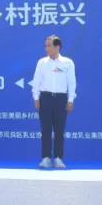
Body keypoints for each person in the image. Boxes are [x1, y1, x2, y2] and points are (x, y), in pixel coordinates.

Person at [30, 35, 76, 169]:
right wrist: (36, 98)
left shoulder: (68, 62)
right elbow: (36, 81)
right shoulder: (42, 62)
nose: (46, 48)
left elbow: (72, 82)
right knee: (45, 129)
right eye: (45, 45)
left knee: (59, 130)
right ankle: (45, 158)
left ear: (57, 47)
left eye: (49, 45)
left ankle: (58, 158)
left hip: (61, 98)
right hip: (45, 98)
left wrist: (70, 100)